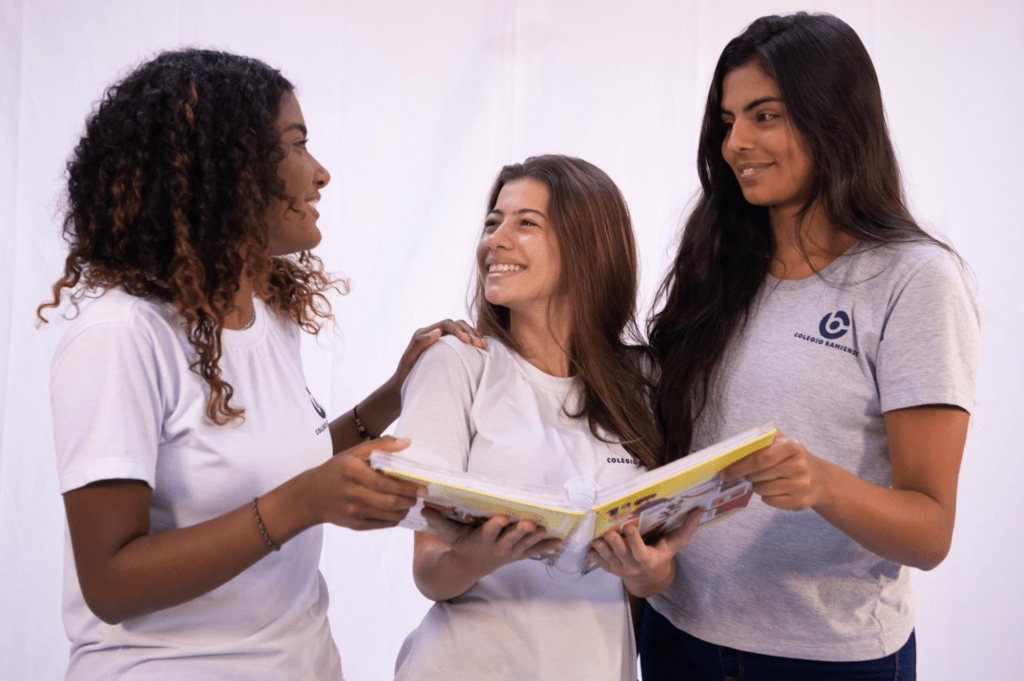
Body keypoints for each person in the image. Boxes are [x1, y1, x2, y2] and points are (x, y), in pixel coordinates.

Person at [38, 48, 482, 680]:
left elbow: (273, 467)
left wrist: (392, 395)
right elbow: (110, 581)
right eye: (297, 144)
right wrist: (303, 504)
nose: (320, 173)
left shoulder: (266, 316)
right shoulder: (122, 336)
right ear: (225, 170)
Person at [642, 12, 979, 681]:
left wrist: (821, 482)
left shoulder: (914, 280)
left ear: (833, 118)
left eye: (763, 115)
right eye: (728, 118)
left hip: (824, 659)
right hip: (677, 633)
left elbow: (930, 530)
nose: (735, 141)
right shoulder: (717, 258)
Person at [390, 155, 700, 680]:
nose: (496, 240)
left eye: (525, 223)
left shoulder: (645, 380)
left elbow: (653, 579)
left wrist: (650, 572)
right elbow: (430, 572)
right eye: (493, 222)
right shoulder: (458, 364)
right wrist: (480, 555)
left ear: (588, 246)